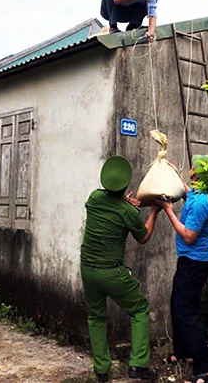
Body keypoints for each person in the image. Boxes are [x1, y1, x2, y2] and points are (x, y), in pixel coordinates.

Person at [80, 156, 160, 383]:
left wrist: (122, 201)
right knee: (139, 310)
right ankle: (138, 366)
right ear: (126, 185)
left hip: (87, 268)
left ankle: (102, 370)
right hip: (111, 272)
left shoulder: (94, 198)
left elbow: (109, 202)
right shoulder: (129, 212)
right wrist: (153, 212)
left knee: (96, 316)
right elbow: (143, 236)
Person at [156, 155, 208, 383]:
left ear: (197, 173)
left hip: (195, 262)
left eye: (192, 168)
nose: (189, 171)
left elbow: (189, 235)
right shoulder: (200, 191)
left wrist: (168, 210)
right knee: (178, 304)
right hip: (188, 259)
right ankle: (184, 353)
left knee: (187, 312)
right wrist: (169, 168)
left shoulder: (204, 202)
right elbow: (186, 191)